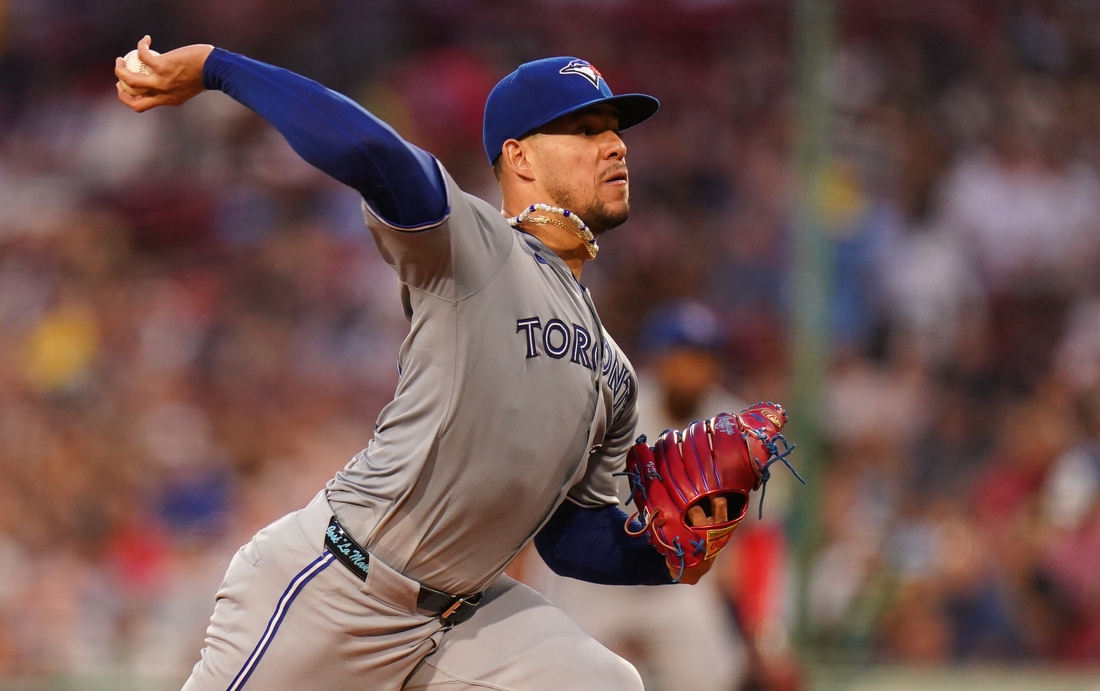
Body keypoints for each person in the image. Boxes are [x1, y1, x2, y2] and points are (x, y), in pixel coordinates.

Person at [115, 36, 731, 691]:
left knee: (602, 682)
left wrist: (668, 548)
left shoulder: (615, 370)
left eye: (614, 131)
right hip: (342, 586)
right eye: (585, 130)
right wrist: (218, 67)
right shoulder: (473, 245)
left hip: (462, 619)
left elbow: (572, 535)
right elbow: (371, 154)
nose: (615, 145)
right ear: (518, 157)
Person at [530, 301, 748, 691]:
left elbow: (743, 538)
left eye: (702, 358)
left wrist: (755, 621)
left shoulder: (731, 428)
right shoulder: (619, 409)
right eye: (681, 356)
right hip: (594, 574)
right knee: (550, 675)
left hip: (676, 582)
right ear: (658, 359)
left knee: (714, 677)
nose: (690, 370)